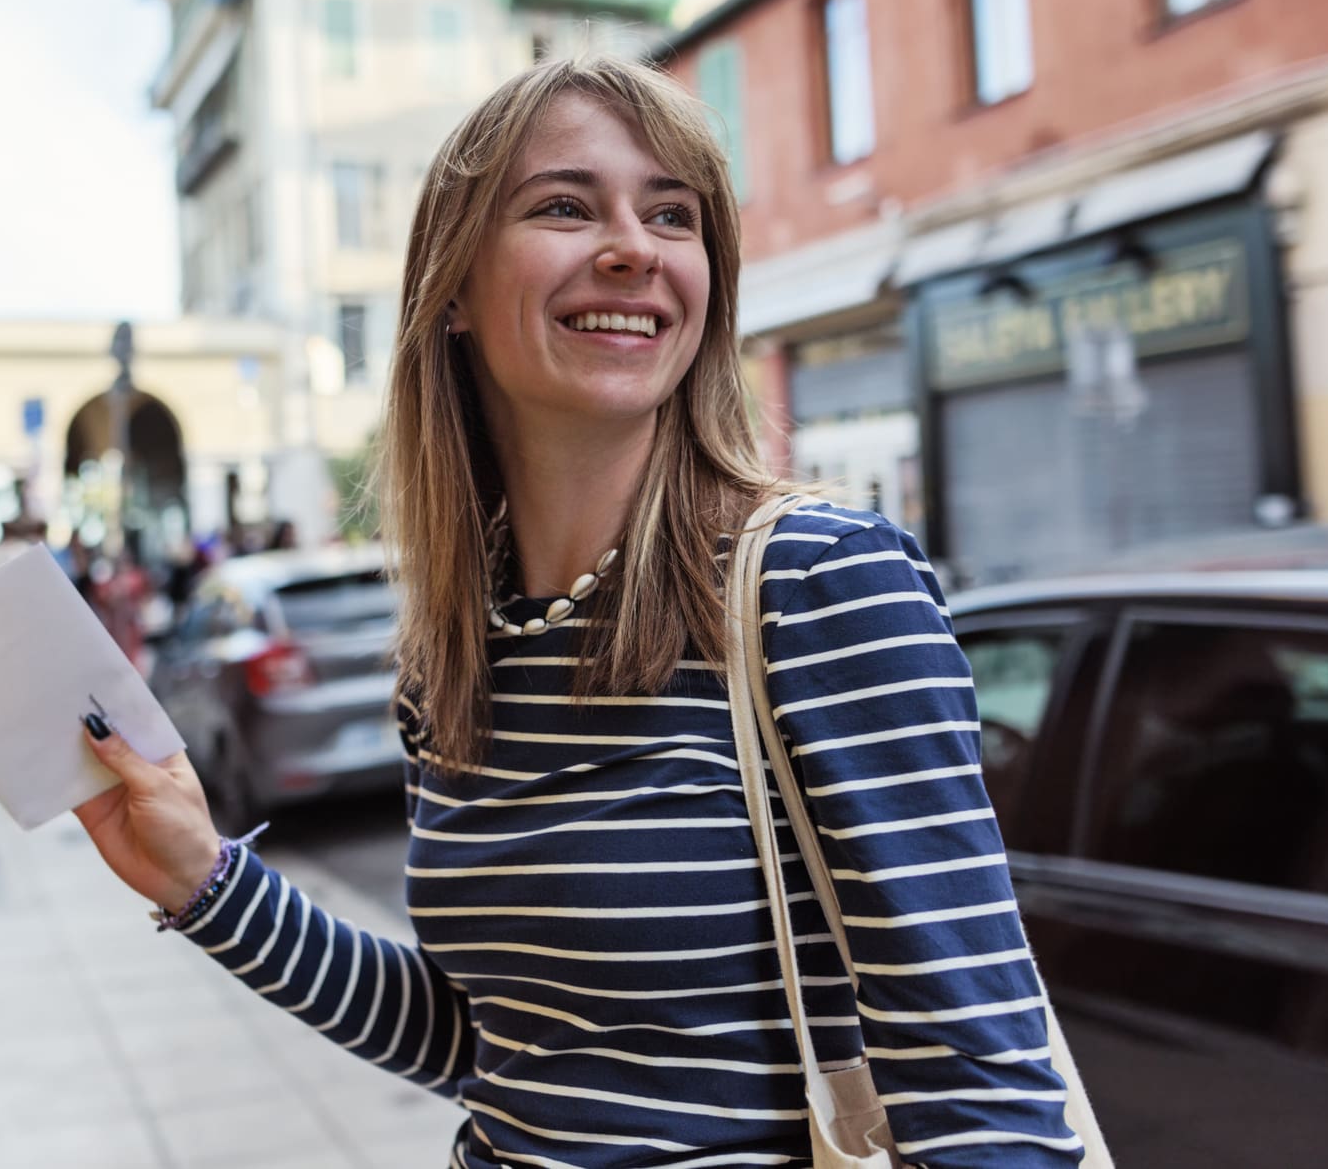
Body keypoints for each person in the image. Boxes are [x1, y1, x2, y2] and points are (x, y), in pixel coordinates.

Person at [74, 57, 1083, 1166]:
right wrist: (205, 882)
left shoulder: (823, 585)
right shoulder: (458, 646)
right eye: (564, 205)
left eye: (670, 215)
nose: (632, 247)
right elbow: (491, 1040)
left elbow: (981, 1092)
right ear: (450, 292)